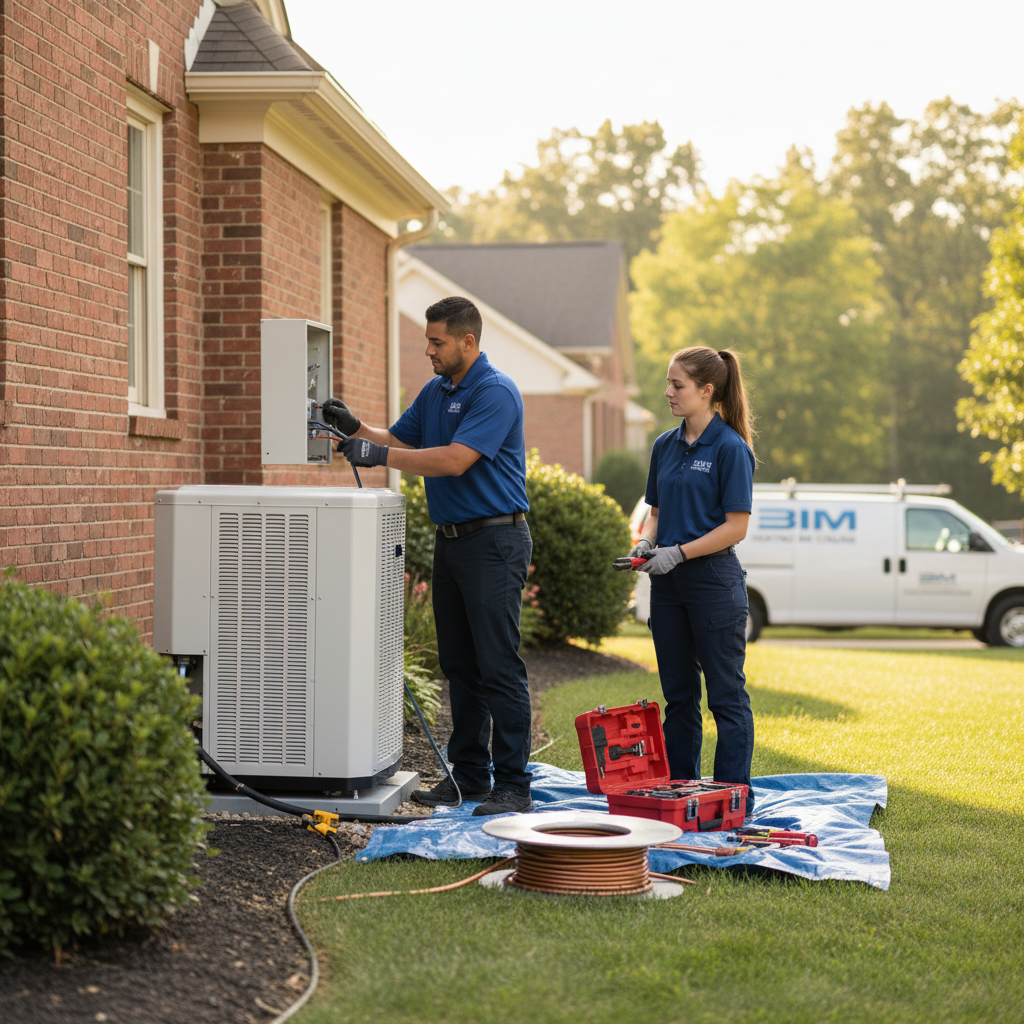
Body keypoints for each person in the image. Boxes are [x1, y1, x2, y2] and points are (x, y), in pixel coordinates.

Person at [321, 296, 533, 817]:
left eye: (437, 342)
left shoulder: (495, 391)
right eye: (427, 341)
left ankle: (512, 785)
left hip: (494, 542)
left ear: (467, 341)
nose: (428, 350)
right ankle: (469, 779)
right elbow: (394, 439)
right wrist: (354, 428)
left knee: (498, 666)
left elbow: (455, 460)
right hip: (453, 542)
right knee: (460, 666)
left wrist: (381, 455)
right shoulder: (436, 391)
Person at [630, 346, 756, 813]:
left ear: (707, 391)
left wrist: (678, 552)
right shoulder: (664, 445)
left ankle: (731, 801)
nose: (668, 392)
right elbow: (656, 514)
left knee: (726, 698)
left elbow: (735, 526)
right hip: (668, 588)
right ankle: (682, 797)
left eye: (677, 385)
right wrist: (646, 544)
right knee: (679, 699)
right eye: (668, 382)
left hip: (712, 584)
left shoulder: (730, 448)